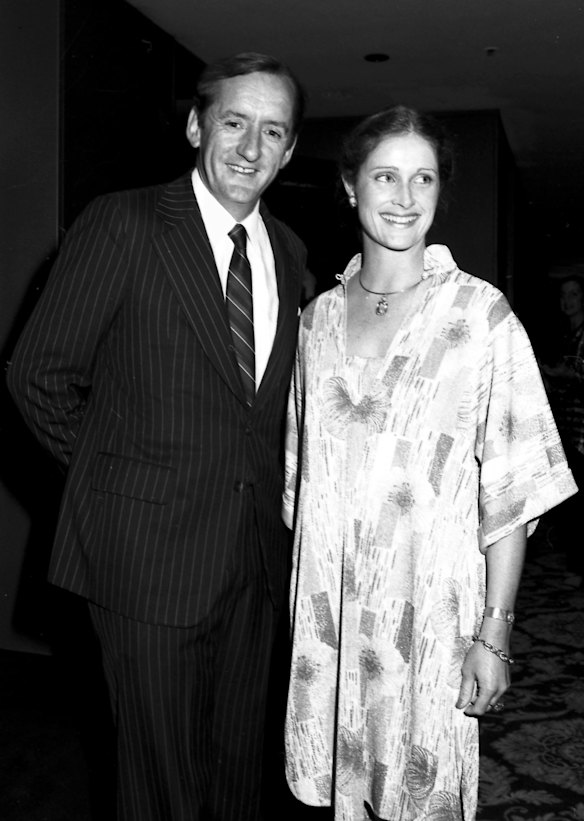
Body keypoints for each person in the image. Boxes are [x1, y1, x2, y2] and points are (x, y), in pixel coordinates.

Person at [7, 52, 307, 821]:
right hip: (145, 559)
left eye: (272, 131)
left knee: (237, 769)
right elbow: (37, 375)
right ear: (195, 124)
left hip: (255, 562)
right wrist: (126, 484)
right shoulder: (125, 222)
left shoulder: (290, 252)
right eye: (234, 122)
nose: (250, 148)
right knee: (160, 780)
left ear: (291, 150)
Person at [282, 106, 577, 821]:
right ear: (351, 187)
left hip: (432, 623)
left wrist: (495, 633)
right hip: (333, 626)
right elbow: (300, 488)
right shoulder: (314, 322)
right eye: (386, 176)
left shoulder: (481, 316)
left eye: (424, 178)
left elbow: (514, 489)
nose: (406, 198)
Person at [541, 275, 584, 581]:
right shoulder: (567, 336)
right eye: (563, 295)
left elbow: (575, 375)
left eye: (573, 294)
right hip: (569, 427)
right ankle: (576, 562)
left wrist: (557, 372)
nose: (567, 300)